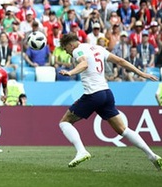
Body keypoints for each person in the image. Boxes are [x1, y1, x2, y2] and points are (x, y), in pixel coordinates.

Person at [58, 33, 162, 169]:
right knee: (123, 129)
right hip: (107, 94)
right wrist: (141, 73)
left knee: (65, 122)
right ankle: (152, 155)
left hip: (93, 94)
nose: (68, 53)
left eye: (66, 50)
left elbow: (84, 64)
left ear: (71, 45)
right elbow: (120, 61)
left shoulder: (78, 50)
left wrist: (70, 73)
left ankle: (81, 151)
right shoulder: (97, 48)